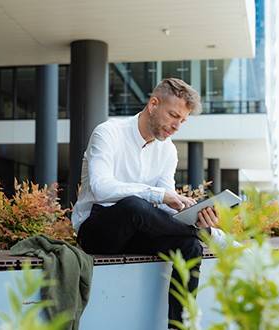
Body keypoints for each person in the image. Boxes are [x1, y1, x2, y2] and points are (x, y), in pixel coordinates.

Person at [71, 78, 230, 326]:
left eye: (183, 121)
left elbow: (166, 204)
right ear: (153, 104)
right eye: (173, 115)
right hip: (97, 231)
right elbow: (102, 188)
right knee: (135, 205)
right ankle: (211, 235)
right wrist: (157, 195)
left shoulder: (167, 151)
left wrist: (189, 211)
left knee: (190, 246)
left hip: (138, 230)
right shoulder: (108, 132)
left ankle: (179, 325)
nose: (176, 126)